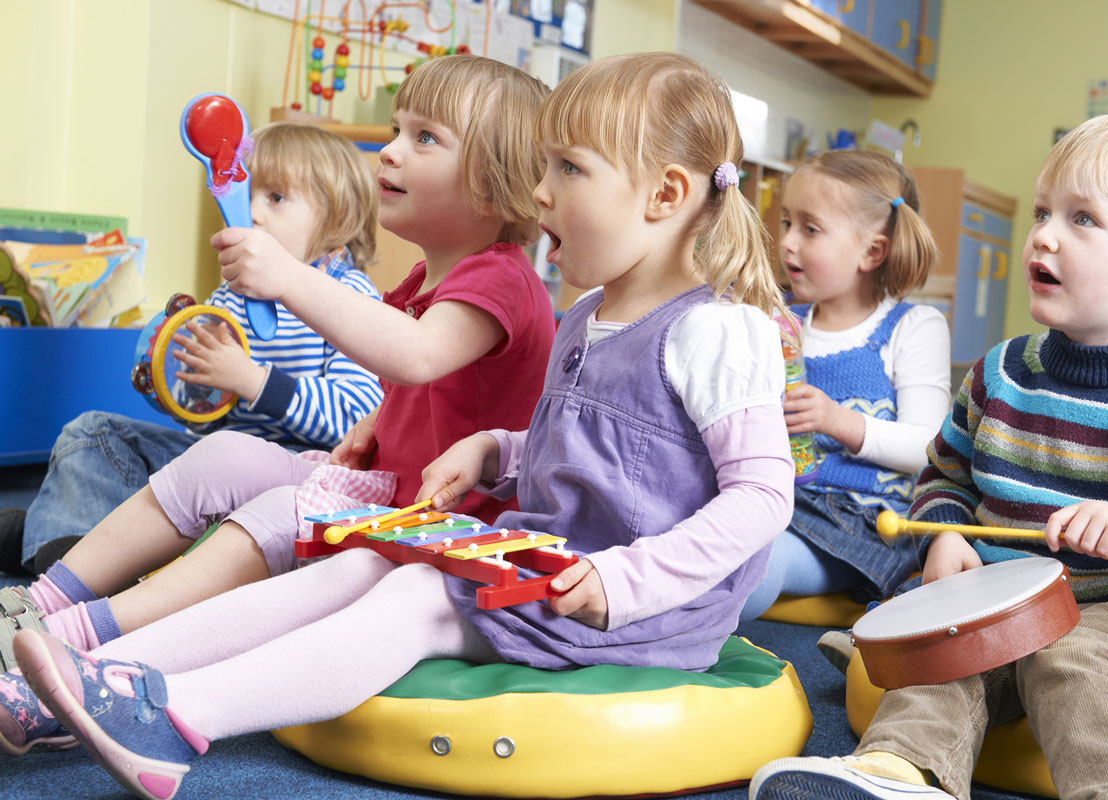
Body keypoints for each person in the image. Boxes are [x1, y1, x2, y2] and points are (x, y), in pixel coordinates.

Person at [2, 51, 794, 800]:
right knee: (357, 568)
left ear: (665, 195)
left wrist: (625, 584)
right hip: (543, 557)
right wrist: (496, 451)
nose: (541, 192)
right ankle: (89, 672)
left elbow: (761, 497)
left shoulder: (720, 330)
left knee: (415, 595)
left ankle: (174, 718)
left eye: (570, 170)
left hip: (633, 603)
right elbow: (593, 445)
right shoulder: (588, 314)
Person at [0, 55, 555, 678]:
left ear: (491, 179)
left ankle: (79, 639)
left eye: (424, 137)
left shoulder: (504, 278)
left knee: (279, 510)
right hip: (386, 494)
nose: (391, 151)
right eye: (396, 129)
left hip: (446, 529)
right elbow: (413, 380)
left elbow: (418, 355)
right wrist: (374, 421)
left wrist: (287, 277)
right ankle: (34, 607)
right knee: (223, 454)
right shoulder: (425, 278)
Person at [750, 113, 1108, 800]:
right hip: (1010, 611)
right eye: (1045, 211)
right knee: (948, 640)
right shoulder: (999, 372)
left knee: (1074, 656)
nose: (1044, 234)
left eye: (1083, 220)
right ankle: (902, 775)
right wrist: (949, 529)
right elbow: (944, 473)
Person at [0, 122, 386, 577]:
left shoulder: (350, 294)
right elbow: (201, 414)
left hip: (293, 478)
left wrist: (253, 382)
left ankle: (67, 547)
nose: (252, 214)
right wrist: (173, 381)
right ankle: (68, 554)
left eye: (275, 198)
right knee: (93, 432)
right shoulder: (230, 297)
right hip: (208, 466)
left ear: (337, 218)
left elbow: (356, 415)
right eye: (246, 195)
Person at [738, 150, 949, 623]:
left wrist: (839, 421)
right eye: (787, 222)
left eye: (810, 229)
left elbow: (930, 448)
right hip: (776, 499)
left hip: (862, 522)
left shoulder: (912, 326)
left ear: (871, 252)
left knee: (749, 562)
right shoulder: (782, 323)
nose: (787, 242)